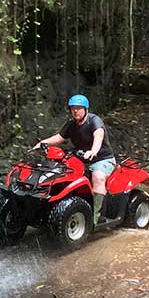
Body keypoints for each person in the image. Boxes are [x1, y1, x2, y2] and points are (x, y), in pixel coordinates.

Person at [32, 94, 116, 225]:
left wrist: (93, 151)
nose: (75, 111)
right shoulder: (71, 124)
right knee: (61, 171)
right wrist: (43, 143)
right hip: (81, 159)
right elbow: (59, 138)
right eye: (73, 108)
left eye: (78, 108)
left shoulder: (94, 120)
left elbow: (98, 135)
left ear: (85, 109)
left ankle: (97, 216)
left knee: (98, 177)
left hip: (102, 159)